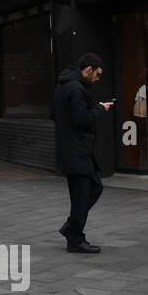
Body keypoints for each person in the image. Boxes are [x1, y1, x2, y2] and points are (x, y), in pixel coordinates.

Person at [50, 54, 113, 253]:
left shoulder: (62, 85)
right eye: (97, 74)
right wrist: (100, 109)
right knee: (85, 193)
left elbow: (53, 114)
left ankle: (72, 231)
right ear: (88, 69)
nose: (98, 78)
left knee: (91, 189)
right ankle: (74, 236)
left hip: (69, 150)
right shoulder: (76, 89)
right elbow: (81, 119)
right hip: (76, 151)